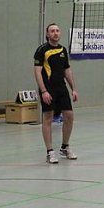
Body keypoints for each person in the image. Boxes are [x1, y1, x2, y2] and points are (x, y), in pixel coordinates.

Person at [34, 23, 80, 164]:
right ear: (48, 34)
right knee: (48, 118)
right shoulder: (42, 50)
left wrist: (73, 88)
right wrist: (43, 91)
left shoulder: (63, 50)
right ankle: (50, 152)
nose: (55, 33)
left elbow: (67, 70)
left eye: (57, 31)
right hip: (48, 89)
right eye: (52, 31)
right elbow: (37, 71)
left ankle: (65, 147)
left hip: (61, 88)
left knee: (69, 116)